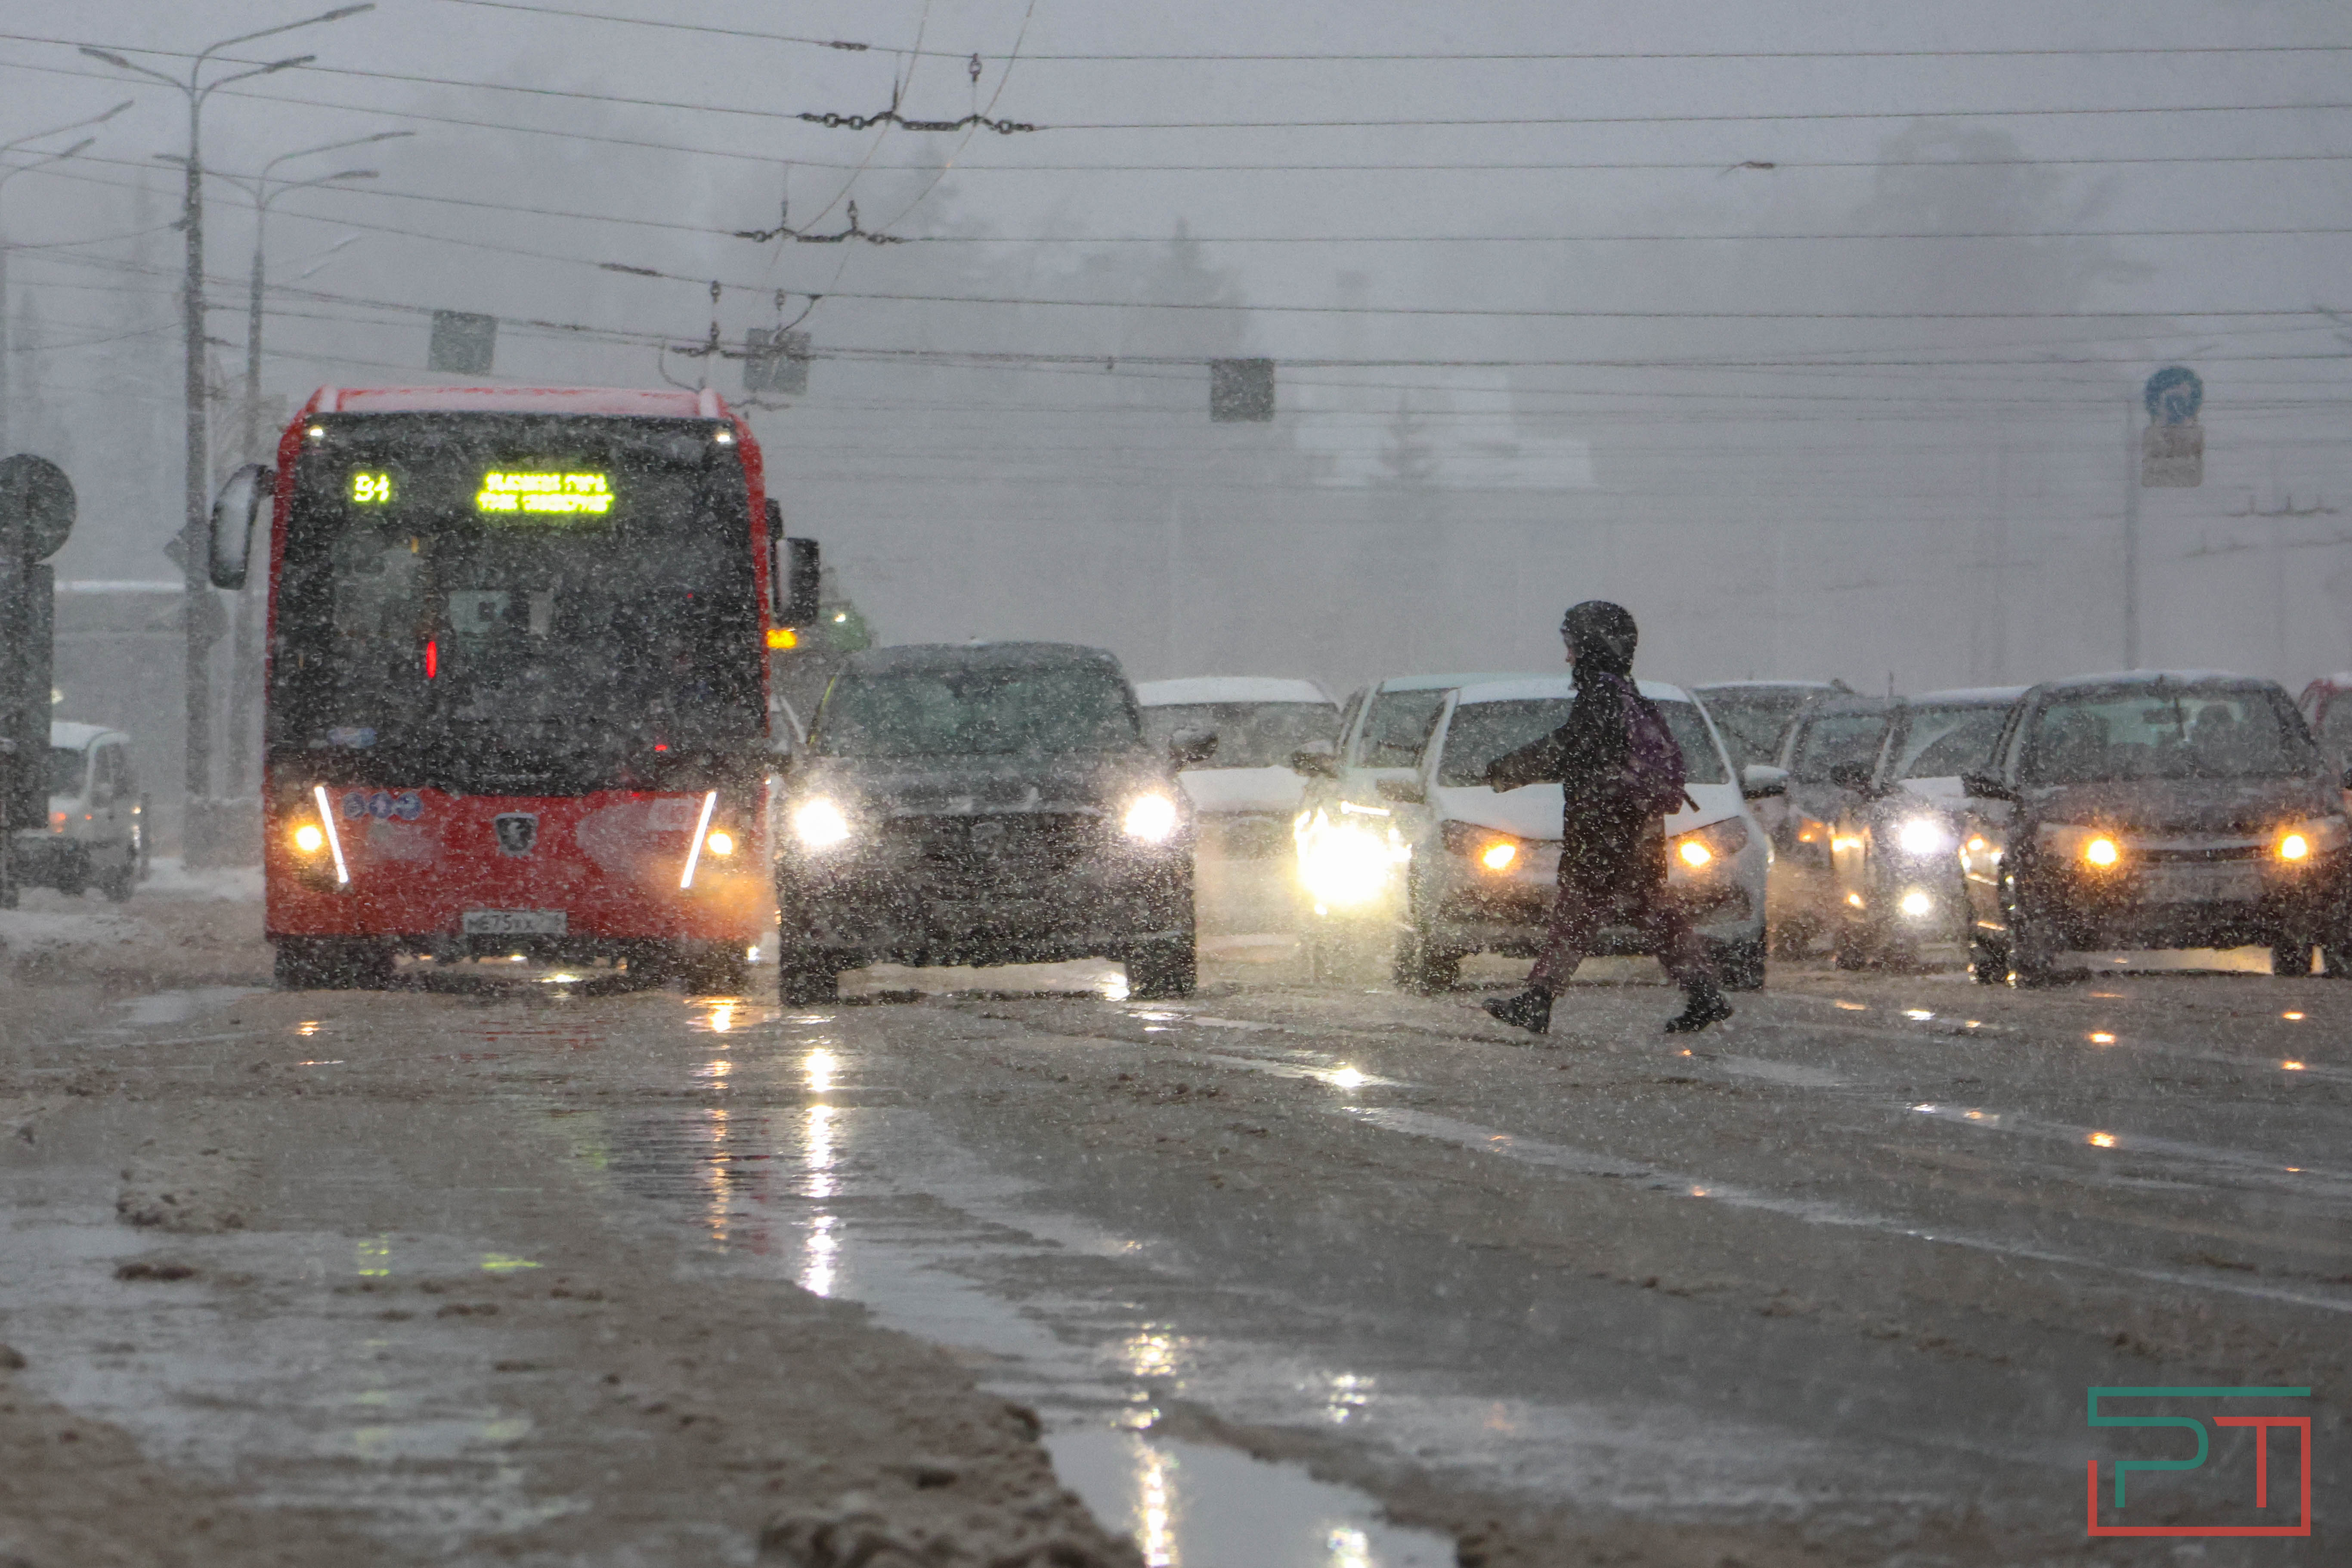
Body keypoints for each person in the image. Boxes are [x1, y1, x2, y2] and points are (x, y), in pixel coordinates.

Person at [1479, 600, 1732, 1036]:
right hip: (1634, 821)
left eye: (1572, 646)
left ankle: (1538, 999)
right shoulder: (1625, 692)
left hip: (1604, 821)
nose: (1568, 657)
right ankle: (1702, 990)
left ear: (1591, 645)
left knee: (1579, 908)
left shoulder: (1601, 695)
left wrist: (1505, 769)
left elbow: (1572, 748)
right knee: (1647, 907)